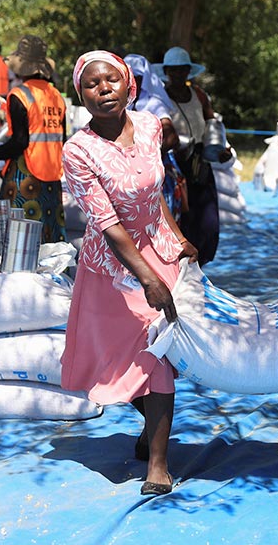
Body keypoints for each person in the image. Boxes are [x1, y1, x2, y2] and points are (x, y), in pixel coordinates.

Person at [60, 50, 197, 496]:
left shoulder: (151, 126)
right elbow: (108, 224)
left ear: (129, 85)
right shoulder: (78, 151)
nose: (104, 90)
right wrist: (147, 278)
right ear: (81, 94)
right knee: (128, 361)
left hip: (159, 251)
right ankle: (152, 430)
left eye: (111, 80)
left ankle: (158, 462)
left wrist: (178, 239)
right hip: (113, 270)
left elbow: (154, 194)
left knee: (158, 356)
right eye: (92, 84)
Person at [153, 47, 230, 265]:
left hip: (200, 164)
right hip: (175, 167)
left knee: (207, 222)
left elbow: (212, 124)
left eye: (182, 70)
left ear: (189, 71)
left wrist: (221, 149)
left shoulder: (199, 95)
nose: (178, 74)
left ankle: (199, 266)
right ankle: (179, 268)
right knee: (182, 219)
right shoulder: (160, 99)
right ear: (166, 72)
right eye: (173, 70)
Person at [0, 35, 67, 242]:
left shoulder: (19, 95)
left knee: (20, 235)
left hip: (26, 173)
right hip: (52, 173)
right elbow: (63, 138)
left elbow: (20, 142)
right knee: (50, 230)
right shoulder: (56, 95)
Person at [124, 53, 187, 221]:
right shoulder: (126, 104)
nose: (131, 82)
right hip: (131, 175)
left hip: (155, 174)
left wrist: (147, 158)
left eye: (136, 78)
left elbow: (172, 138)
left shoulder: (153, 104)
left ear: (144, 79)